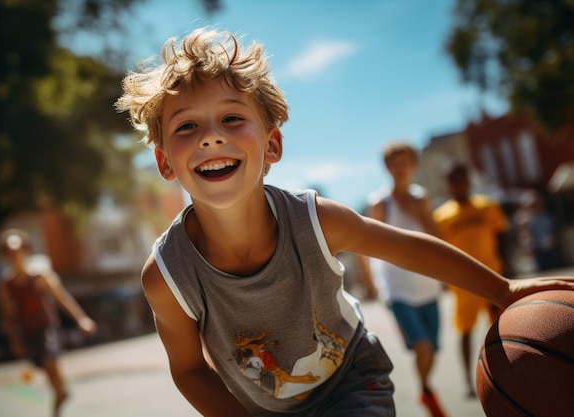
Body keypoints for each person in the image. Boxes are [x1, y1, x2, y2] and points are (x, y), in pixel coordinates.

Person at [115, 28, 574, 417]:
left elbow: (409, 248)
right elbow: (190, 369)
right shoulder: (167, 276)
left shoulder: (315, 220)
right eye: (186, 127)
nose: (211, 135)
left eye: (232, 118)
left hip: (353, 378)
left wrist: (501, 289)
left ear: (272, 145)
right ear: (164, 162)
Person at [361, 142, 448, 417]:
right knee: (422, 345)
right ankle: (428, 392)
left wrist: (421, 214)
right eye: (394, 163)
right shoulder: (379, 203)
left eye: (405, 162)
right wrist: (370, 283)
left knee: (432, 349)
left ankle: (424, 389)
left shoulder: (421, 197)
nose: (400, 169)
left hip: (427, 285)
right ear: (387, 168)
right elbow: (367, 245)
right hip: (396, 289)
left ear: (414, 165)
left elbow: (439, 240)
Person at [0, 229, 98, 417]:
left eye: (18, 249)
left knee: (49, 360)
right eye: (9, 251)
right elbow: (8, 315)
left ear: (26, 251)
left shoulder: (39, 275)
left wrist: (81, 319)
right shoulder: (6, 283)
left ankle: (58, 401)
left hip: (47, 328)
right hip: (27, 332)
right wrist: (14, 340)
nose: (15, 255)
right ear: (4, 255)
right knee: (47, 369)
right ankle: (61, 392)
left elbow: (61, 298)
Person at [432, 163, 509, 398]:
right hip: (463, 284)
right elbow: (439, 251)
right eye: (453, 180)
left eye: (462, 179)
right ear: (447, 185)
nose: (459, 184)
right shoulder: (441, 216)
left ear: (469, 180)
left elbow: (502, 237)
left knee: (503, 327)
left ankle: (507, 374)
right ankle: (468, 379)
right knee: (465, 331)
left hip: (492, 276)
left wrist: (508, 269)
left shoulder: (487, 206)